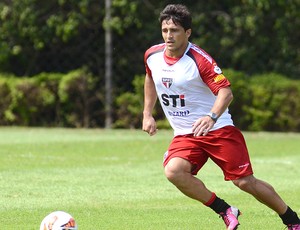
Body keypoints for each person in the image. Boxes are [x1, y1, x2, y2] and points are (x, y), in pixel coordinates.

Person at [142, 4, 300, 230]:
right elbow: (150, 78)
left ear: (187, 33)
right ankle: (225, 210)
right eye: (165, 30)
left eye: (175, 30)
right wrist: (147, 113)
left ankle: (292, 220)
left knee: (244, 182)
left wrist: (211, 117)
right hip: (187, 133)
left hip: (219, 130)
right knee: (174, 171)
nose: (169, 35)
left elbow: (226, 92)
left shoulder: (200, 60)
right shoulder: (152, 55)